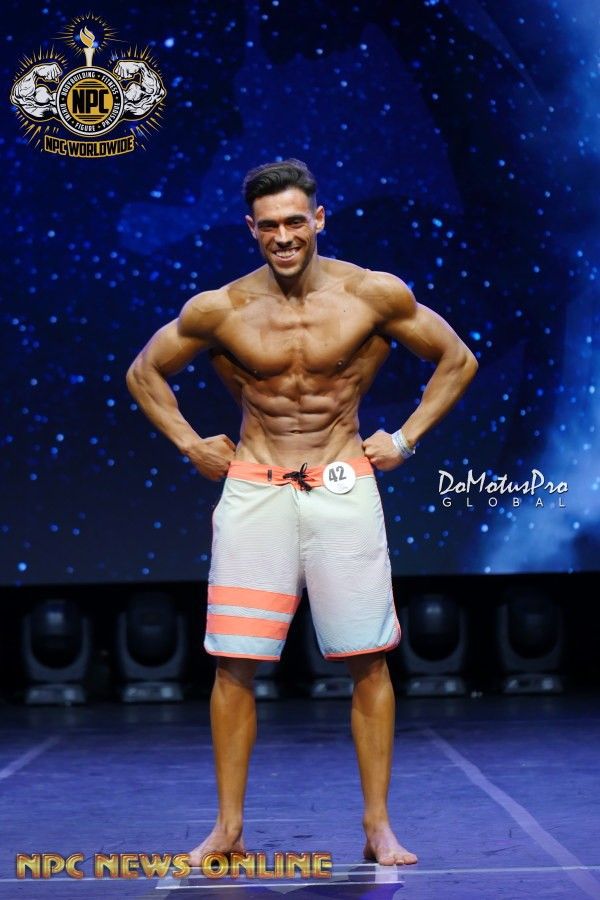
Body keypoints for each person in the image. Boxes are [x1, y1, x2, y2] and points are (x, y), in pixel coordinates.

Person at [126, 158, 478, 867]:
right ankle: (228, 829)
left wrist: (406, 438)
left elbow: (457, 359)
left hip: (342, 485)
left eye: (295, 222)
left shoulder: (371, 294)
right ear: (251, 229)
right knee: (234, 663)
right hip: (256, 489)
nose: (283, 237)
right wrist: (191, 444)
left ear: (318, 219)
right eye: (269, 226)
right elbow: (144, 372)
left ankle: (378, 827)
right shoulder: (220, 309)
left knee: (367, 660)